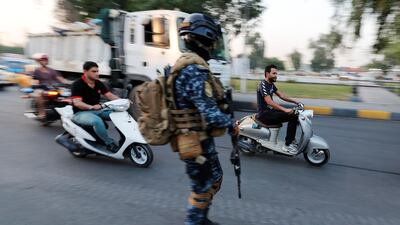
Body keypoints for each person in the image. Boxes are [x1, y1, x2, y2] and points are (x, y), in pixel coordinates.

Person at [173, 13, 238, 225]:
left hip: (198, 139)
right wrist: (231, 124)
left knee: (213, 180)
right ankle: (194, 222)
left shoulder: (186, 65)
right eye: (212, 42)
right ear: (206, 39)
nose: (213, 47)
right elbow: (209, 115)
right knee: (201, 187)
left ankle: (201, 219)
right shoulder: (194, 71)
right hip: (194, 142)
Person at [71, 61, 120, 152]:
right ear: (85, 72)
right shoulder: (77, 84)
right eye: (94, 71)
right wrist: (91, 107)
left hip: (97, 110)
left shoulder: (98, 83)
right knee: (97, 121)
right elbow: (77, 103)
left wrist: (122, 101)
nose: (97, 73)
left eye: (97, 71)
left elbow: (109, 95)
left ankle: (124, 139)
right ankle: (109, 143)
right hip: (80, 113)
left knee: (119, 114)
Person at [257, 64, 301, 154]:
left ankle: (291, 139)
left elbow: (281, 95)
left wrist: (295, 102)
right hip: (265, 114)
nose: (276, 75)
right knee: (292, 116)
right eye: (274, 73)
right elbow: (269, 102)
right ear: (267, 73)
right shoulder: (263, 85)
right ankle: (287, 145)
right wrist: (285, 110)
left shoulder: (271, 85)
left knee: (294, 113)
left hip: (270, 112)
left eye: (276, 73)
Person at [31, 53, 70, 119]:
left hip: (52, 88)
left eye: (45, 60)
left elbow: (61, 79)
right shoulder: (37, 70)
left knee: (66, 96)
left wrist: (70, 83)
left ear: (47, 61)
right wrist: (37, 85)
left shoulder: (52, 71)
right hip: (42, 88)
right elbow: (35, 81)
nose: (44, 61)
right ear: (40, 61)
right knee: (39, 94)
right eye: (42, 60)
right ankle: (41, 113)